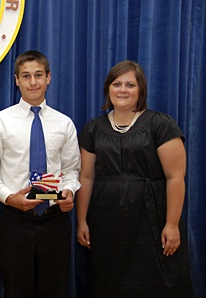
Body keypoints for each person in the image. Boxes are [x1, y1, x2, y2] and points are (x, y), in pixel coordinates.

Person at [76, 60, 194, 297]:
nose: (122, 89)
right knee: (108, 281)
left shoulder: (160, 124)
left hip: (151, 221)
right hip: (106, 224)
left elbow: (175, 177)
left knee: (155, 283)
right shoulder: (92, 129)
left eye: (130, 84)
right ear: (108, 88)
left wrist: (171, 224)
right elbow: (86, 177)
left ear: (141, 90)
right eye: (117, 83)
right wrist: (81, 221)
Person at [0, 50, 81, 297]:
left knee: (54, 290)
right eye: (26, 76)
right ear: (16, 80)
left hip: (55, 221)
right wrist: (9, 197)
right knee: (16, 290)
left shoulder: (64, 123)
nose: (33, 82)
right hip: (14, 222)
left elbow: (71, 169)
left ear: (49, 78)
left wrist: (68, 191)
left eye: (38, 75)